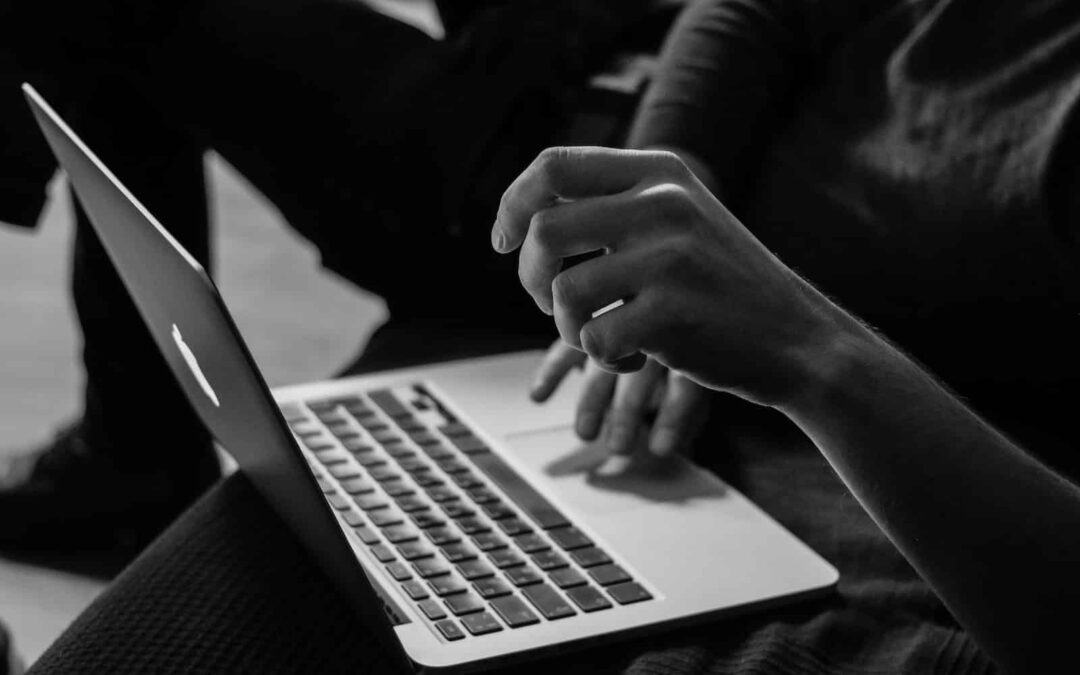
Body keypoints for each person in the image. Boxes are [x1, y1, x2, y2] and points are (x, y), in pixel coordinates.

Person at [8, 0, 1080, 672]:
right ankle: (130, 455)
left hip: (563, 221)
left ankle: (126, 463)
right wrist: (672, 190)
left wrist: (805, 344)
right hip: (594, 100)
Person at [0, 0, 677, 561]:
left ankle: (132, 457)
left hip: (560, 147)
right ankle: (132, 455)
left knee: (106, 16)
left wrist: (660, 216)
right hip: (560, 72)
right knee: (112, 36)